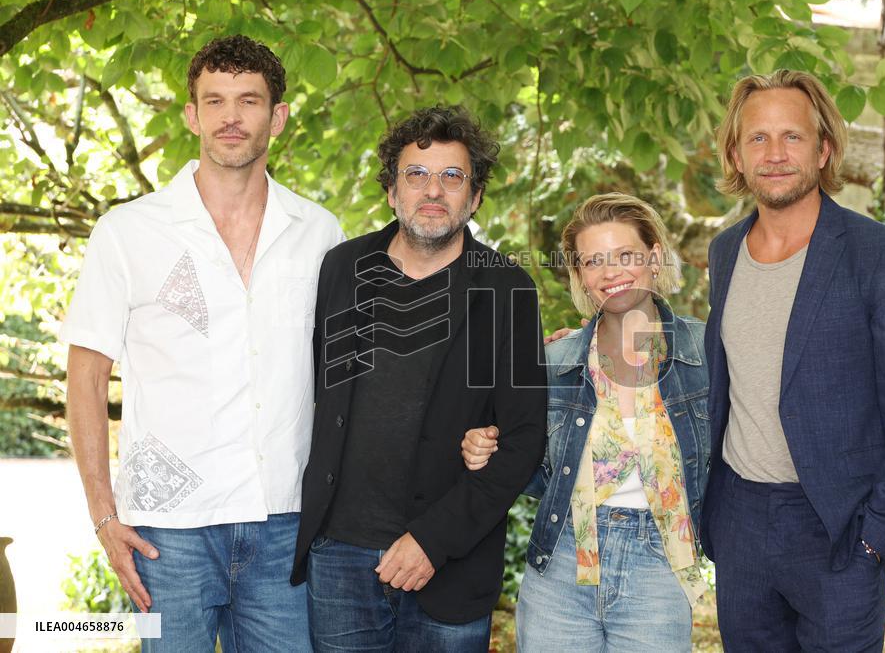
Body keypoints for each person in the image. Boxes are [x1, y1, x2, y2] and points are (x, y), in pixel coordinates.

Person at [62, 35, 344, 651]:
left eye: (249, 100)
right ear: (191, 115)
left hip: (285, 522)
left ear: (279, 116)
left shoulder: (320, 233)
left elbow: (348, 371)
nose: (231, 117)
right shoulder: (128, 232)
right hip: (169, 530)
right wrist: (103, 514)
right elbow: (84, 375)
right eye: (214, 101)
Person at [699, 69, 885, 650]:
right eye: (757, 138)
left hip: (839, 529)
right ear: (736, 155)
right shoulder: (725, 251)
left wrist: (878, 537)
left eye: (793, 136)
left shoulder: (882, 256)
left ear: (824, 149)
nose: (776, 153)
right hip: (739, 523)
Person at [293, 105, 547, 652]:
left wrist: (434, 540)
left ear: (475, 197)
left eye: (452, 177)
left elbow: (524, 440)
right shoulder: (342, 269)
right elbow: (312, 388)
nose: (433, 190)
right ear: (391, 191)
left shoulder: (505, 290)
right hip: (339, 556)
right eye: (416, 175)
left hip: (449, 562)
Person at [463, 193, 710, 652]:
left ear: (655, 256)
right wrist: (487, 446)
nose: (610, 272)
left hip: (659, 563)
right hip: (561, 562)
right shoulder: (556, 362)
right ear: (580, 276)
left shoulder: (706, 351)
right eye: (593, 261)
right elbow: (534, 466)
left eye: (624, 255)